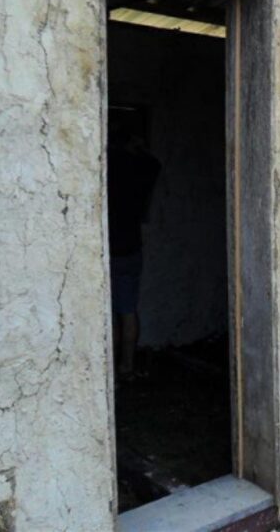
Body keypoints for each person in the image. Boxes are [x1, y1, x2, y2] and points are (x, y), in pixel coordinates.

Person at [108, 120, 161, 380]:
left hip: (109, 249)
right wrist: (138, 148)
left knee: (111, 313)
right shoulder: (143, 169)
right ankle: (126, 366)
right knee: (128, 311)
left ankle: (110, 370)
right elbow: (154, 163)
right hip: (131, 248)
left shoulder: (112, 165)